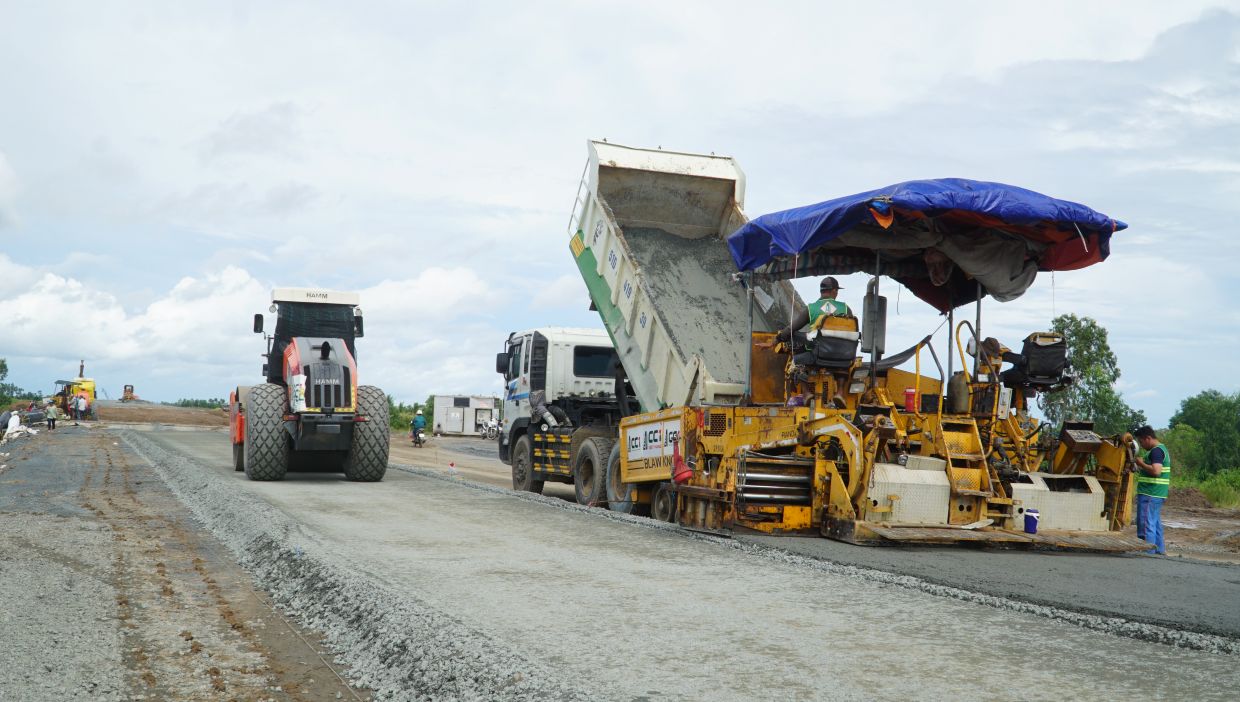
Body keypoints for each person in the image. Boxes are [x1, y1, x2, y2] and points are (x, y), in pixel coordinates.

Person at [1132, 425, 1171, 555]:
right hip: (1157, 494)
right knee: (1155, 523)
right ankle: (1159, 550)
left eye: (1141, 442)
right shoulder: (1160, 450)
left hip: (1150, 493)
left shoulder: (1156, 451)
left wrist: (1141, 463)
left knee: (1146, 524)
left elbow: (1156, 471)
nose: (1141, 445)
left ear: (1148, 438)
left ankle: (1147, 552)